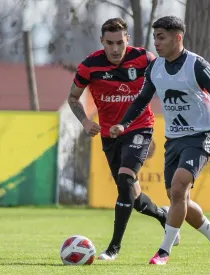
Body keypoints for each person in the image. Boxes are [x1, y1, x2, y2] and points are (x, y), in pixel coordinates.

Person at [110, 16, 210, 265]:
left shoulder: (197, 66)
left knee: (180, 188)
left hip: (200, 136)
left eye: (161, 37)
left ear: (177, 38)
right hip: (174, 140)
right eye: (155, 37)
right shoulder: (155, 68)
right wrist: (123, 123)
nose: (156, 43)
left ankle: (163, 252)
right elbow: (141, 100)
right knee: (177, 198)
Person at [68, 17, 178, 261]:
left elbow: (169, 76)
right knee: (134, 198)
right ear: (102, 42)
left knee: (126, 177)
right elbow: (73, 98)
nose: (115, 49)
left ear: (127, 39)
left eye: (119, 42)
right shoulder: (89, 66)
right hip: (110, 136)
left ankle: (113, 248)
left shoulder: (145, 59)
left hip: (140, 128)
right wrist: (86, 121)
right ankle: (163, 216)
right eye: (109, 43)